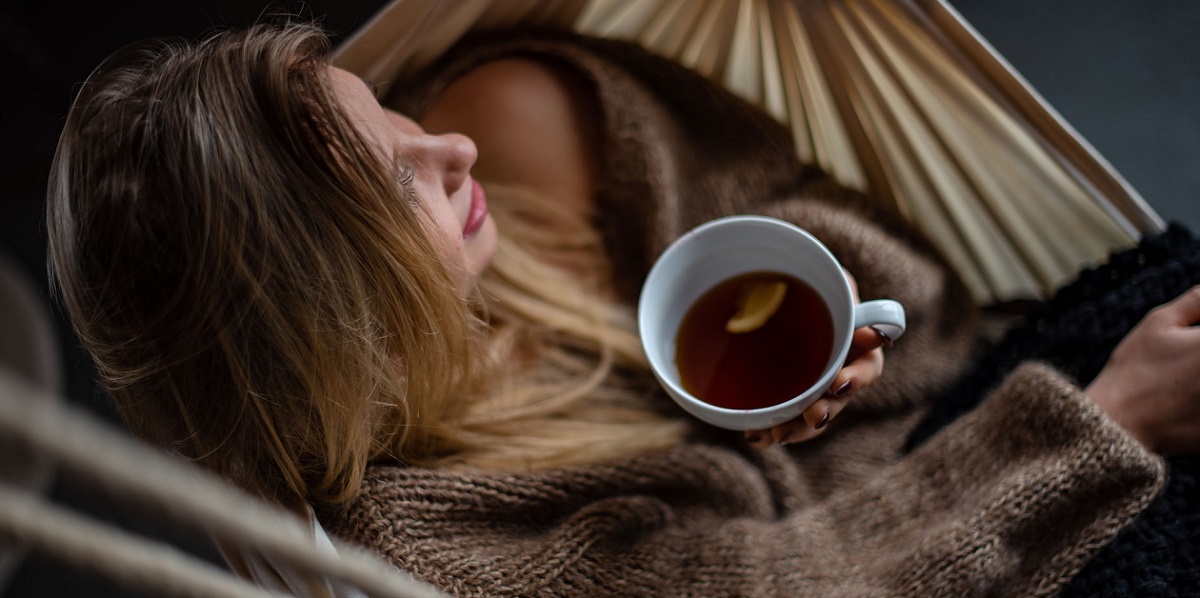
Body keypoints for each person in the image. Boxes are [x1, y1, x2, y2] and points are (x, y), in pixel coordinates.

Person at [45, 20, 1200, 597]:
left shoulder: (530, 141)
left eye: (390, 110)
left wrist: (843, 334)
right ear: (324, 310)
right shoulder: (423, 543)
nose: (449, 144)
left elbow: (944, 310)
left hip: (979, 426)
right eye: (398, 179)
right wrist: (1103, 423)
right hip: (1000, 499)